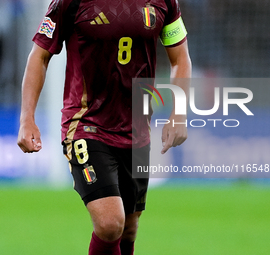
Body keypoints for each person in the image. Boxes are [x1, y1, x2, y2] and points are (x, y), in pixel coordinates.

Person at [17, 0, 191, 254]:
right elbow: (39, 55)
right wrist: (27, 119)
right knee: (110, 223)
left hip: (136, 130)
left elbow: (180, 57)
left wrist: (179, 113)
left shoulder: (165, 2)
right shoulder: (69, 3)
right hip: (86, 125)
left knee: (129, 228)